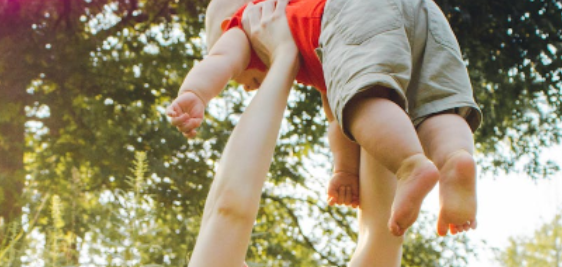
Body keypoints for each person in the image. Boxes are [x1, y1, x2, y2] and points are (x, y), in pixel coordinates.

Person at [113, 1, 404, 267]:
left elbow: (382, 235)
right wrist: (284, 56)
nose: (240, 262)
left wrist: (365, 62)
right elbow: (229, 211)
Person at [167, 0, 482, 236]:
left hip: (357, 11)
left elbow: (221, 59)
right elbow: (337, 118)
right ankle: (455, 159)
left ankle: (410, 165)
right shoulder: (320, 42)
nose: (250, 87)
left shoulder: (244, 24)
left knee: (364, 103)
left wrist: (195, 93)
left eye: (244, 81)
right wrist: (345, 171)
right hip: (423, 12)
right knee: (436, 104)